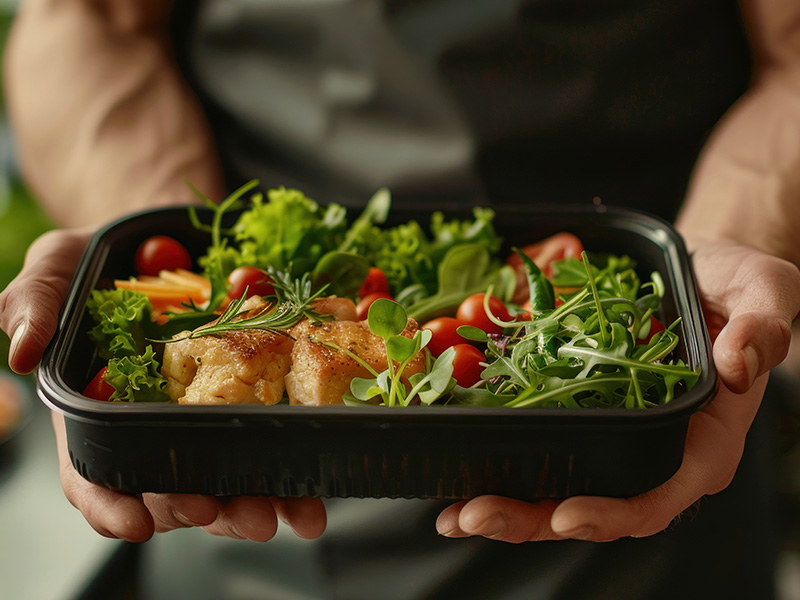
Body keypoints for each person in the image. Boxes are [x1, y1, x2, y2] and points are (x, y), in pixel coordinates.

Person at [2, 0, 800, 598]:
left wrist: (715, 257)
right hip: (234, 511)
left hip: (649, 451)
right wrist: (174, 252)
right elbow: (88, 19)